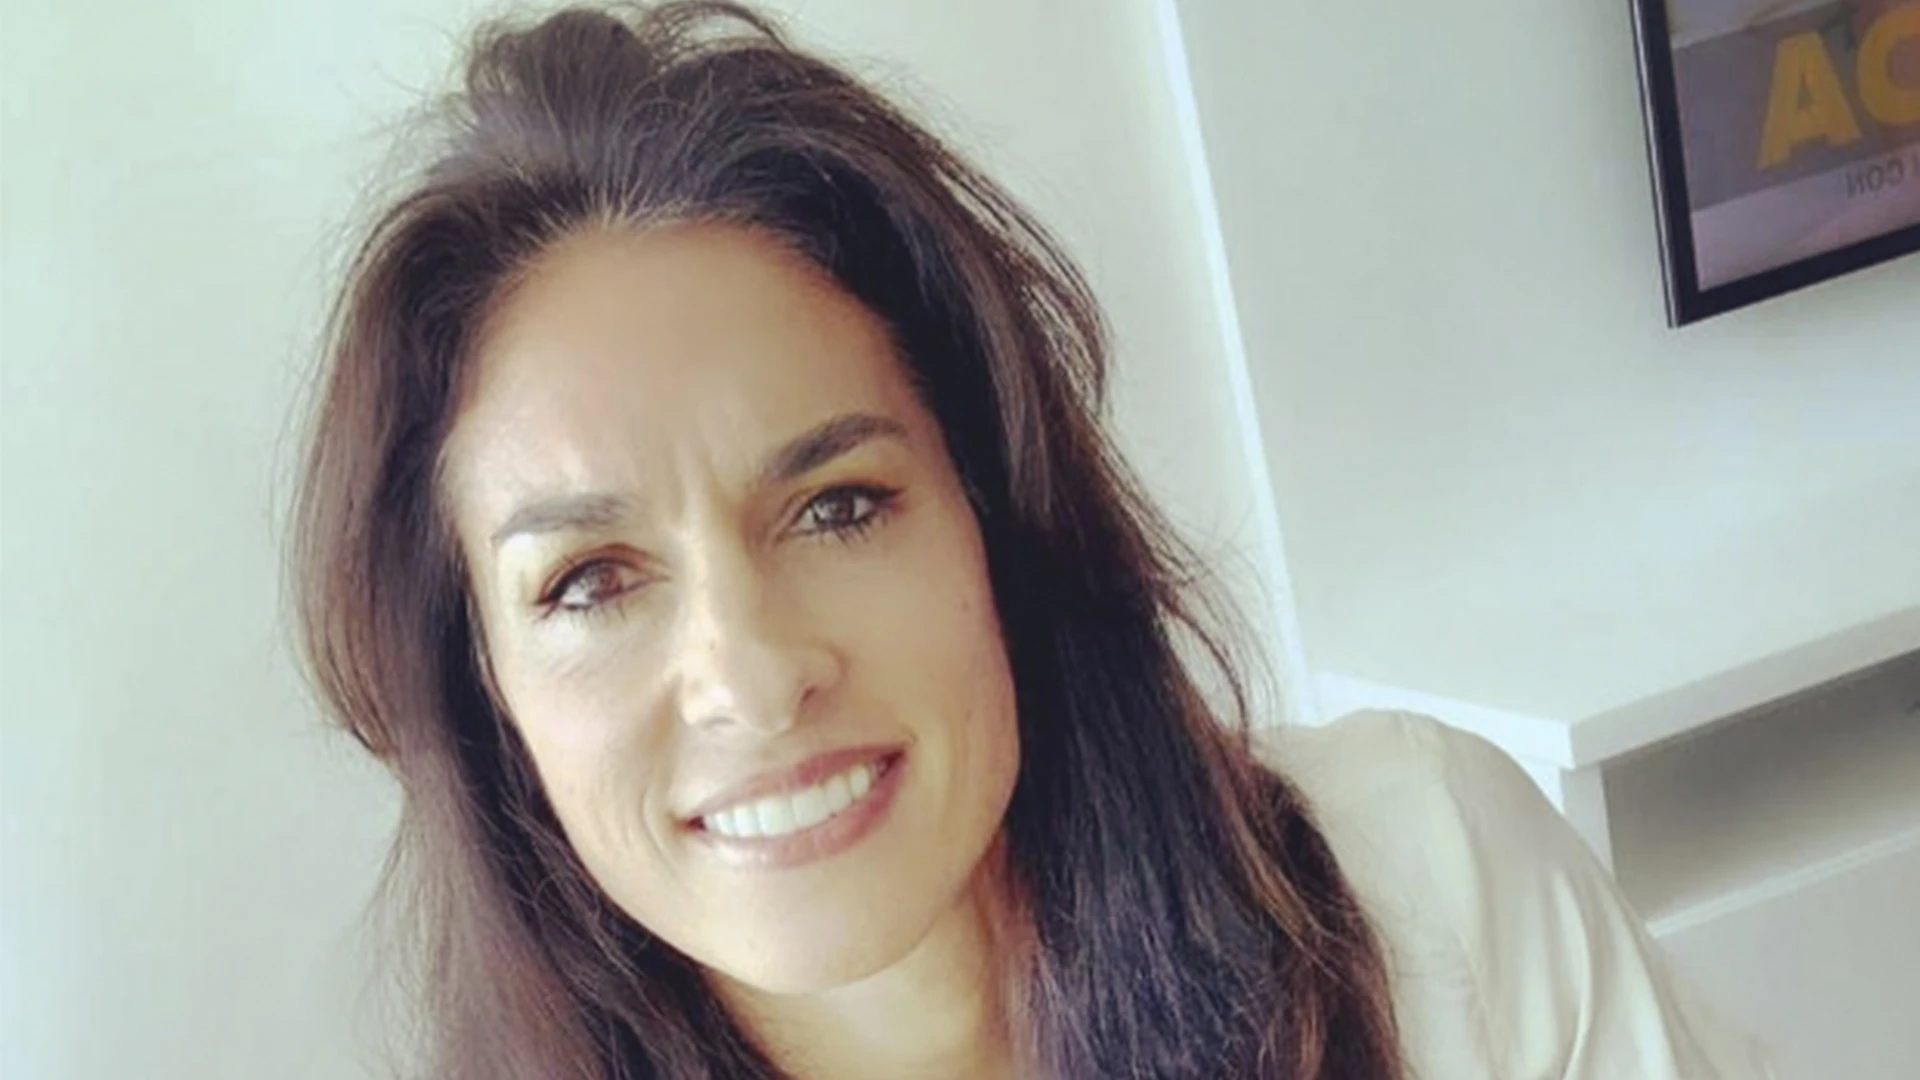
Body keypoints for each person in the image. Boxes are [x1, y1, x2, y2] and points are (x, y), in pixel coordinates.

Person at [290, 3, 1775, 1077]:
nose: (751, 674)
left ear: (995, 519)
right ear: (485, 690)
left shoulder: (1429, 888)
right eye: (591, 582)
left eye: (838, 505)